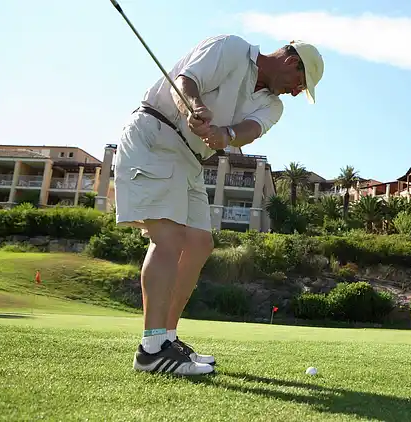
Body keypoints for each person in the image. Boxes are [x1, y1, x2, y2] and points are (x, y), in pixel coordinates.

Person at [113, 34, 324, 375]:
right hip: (154, 134)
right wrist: (194, 107)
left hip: (190, 159)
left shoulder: (274, 105)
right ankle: (151, 350)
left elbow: (251, 130)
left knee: (199, 242)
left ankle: (167, 338)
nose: (298, 92)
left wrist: (225, 136)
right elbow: (186, 82)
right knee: (168, 238)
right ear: (290, 61)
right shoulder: (232, 48)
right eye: (301, 83)